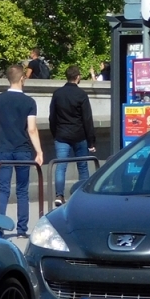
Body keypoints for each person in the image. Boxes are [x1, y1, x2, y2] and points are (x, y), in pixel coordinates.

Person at [0, 64, 44, 237]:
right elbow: (32, 129)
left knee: (2, 189)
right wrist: (39, 151)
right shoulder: (29, 102)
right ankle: (22, 230)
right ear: (22, 78)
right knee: (22, 190)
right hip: (23, 150)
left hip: (3, 149)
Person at [48, 64, 96, 207]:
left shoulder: (57, 94)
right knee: (83, 167)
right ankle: (83, 195)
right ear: (77, 77)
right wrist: (91, 141)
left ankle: (59, 195)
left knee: (61, 166)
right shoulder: (81, 95)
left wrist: (55, 134)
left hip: (62, 136)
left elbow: (52, 117)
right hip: (79, 135)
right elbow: (87, 119)